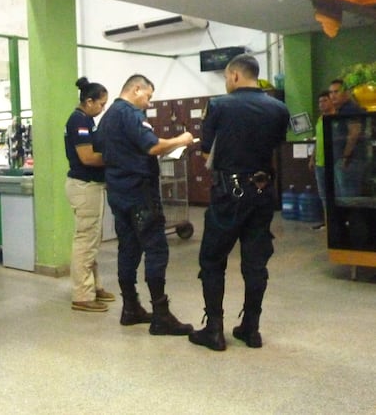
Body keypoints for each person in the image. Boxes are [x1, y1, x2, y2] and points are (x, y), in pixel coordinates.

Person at [188, 54, 289, 352]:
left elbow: (207, 155)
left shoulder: (219, 105)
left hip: (229, 193)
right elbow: (275, 145)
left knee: (212, 259)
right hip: (263, 192)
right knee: (255, 262)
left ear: (233, 76)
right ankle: (251, 329)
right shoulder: (279, 108)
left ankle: (214, 330)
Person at [95, 74, 194, 334]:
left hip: (118, 192)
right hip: (140, 193)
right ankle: (161, 315)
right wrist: (180, 140)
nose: (149, 102)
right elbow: (152, 147)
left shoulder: (106, 118)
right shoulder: (129, 113)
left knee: (128, 249)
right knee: (155, 249)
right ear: (136, 89)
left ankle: (130, 308)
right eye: (148, 96)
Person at [65, 77, 113, 312]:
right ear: (89, 101)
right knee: (85, 241)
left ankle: (93, 286)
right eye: (101, 104)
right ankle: (82, 295)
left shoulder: (86, 120)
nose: (102, 108)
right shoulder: (78, 121)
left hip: (91, 187)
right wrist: (115, 157)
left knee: (92, 239)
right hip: (84, 186)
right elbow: (87, 157)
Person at [327, 78, 366, 198]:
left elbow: (354, 133)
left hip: (350, 161)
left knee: (348, 198)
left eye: (336, 92)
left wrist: (345, 158)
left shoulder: (350, 109)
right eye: (331, 92)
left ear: (347, 93)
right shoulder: (341, 111)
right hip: (343, 160)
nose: (333, 95)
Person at [308, 90, 335, 230]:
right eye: (320, 102)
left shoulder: (336, 118)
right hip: (320, 163)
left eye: (325, 100)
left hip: (333, 163)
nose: (321, 104)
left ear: (331, 101)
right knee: (323, 195)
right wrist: (312, 158)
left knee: (336, 195)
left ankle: (336, 223)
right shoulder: (320, 120)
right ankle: (327, 222)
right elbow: (318, 140)